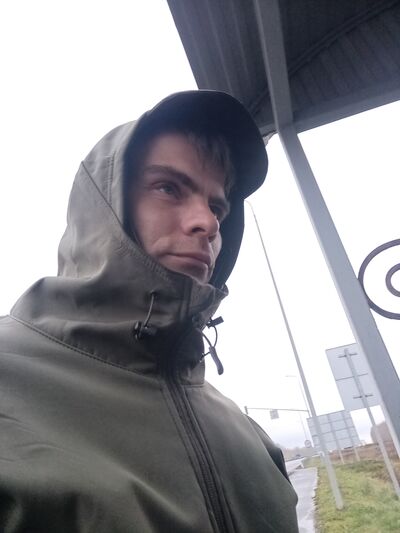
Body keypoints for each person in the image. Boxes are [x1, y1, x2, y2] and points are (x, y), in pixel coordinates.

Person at [0, 90, 298, 532]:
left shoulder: (250, 436)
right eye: (168, 188)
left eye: (218, 206)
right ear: (105, 207)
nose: (208, 222)